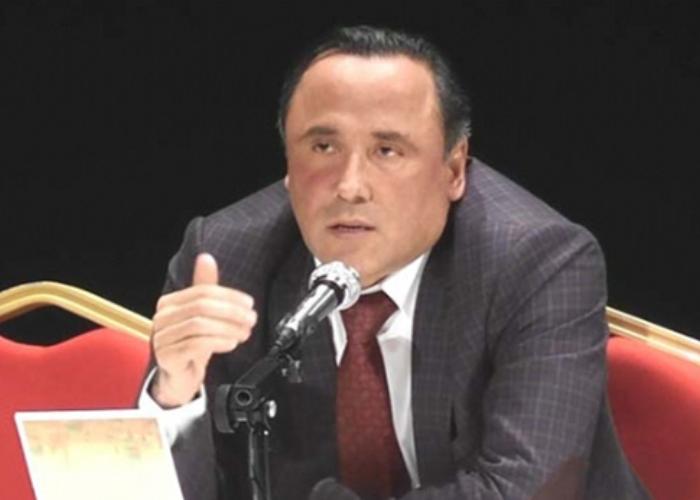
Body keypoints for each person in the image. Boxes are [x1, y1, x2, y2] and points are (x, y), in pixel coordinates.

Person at [139, 26, 649, 499]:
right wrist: (174, 396)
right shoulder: (225, 259)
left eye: (387, 150)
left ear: (454, 169)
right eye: (323, 146)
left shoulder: (536, 263)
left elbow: (520, 492)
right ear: (288, 165)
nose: (350, 186)